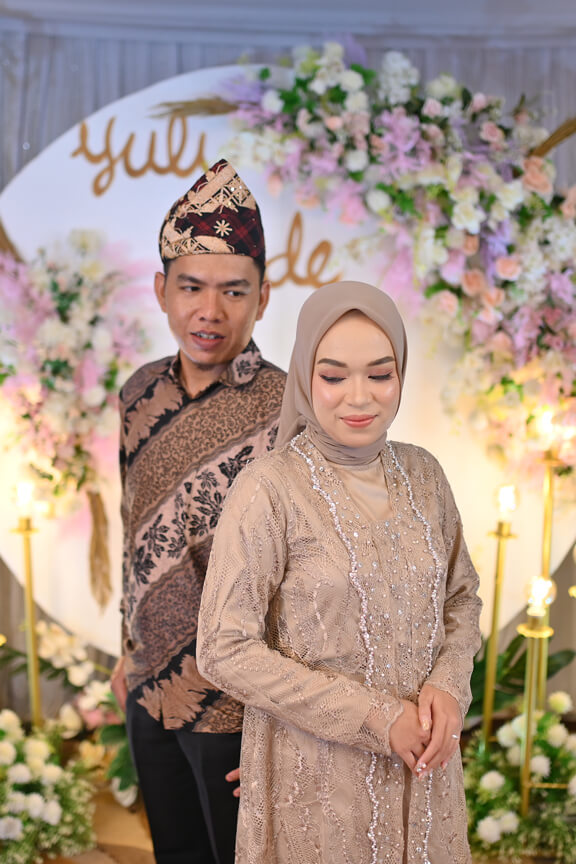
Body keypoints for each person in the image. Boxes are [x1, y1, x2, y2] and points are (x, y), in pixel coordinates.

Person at [197, 281, 482, 864]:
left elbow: (462, 598)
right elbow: (223, 648)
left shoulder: (425, 475)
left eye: (380, 374)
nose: (360, 397)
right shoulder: (269, 490)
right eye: (333, 376)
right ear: (306, 378)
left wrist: (450, 685)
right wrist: (377, 717)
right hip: (321, 781)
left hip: (425, 772)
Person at [111, 159, 286, 864]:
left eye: (233, 291)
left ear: (262, 299)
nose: (210, 311)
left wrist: (285, 726)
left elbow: (309, 575)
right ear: (162, 290)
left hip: (241, 705)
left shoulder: (289, 409)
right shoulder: (137, 394)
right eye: (191, 287)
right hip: (150, 686)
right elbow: (133, 532)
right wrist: (126, 653)